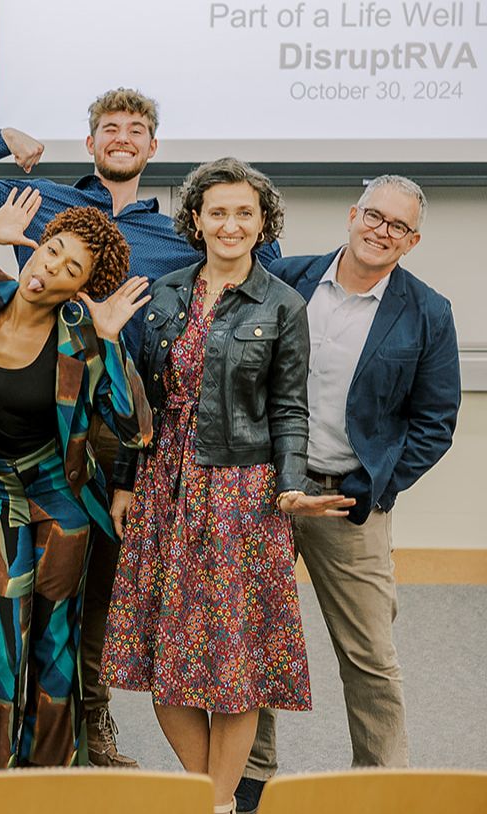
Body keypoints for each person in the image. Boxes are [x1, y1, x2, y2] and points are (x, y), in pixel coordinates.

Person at [0, 88, 282, 768]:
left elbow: (257, 259)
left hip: (110, 426)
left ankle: (72, 749)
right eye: (110, 126)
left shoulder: (174, 233)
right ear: (90, 142)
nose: (122, 137)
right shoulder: (40, 208)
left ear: (152, 147)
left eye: (136, 129)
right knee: (6, 635)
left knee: (81, 617)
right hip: (12, 445)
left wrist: (110, 341)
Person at [102, 158, 355, 814]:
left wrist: (291, 484)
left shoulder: (283, 304)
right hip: (164, 488)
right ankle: (208, 798)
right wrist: (127, 480)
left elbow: (290, 408)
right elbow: (139, 400)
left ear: (263, 222)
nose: (231, 224)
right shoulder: (163, 294)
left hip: (242, 494)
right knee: (165, 659)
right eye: (218, 211)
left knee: (235, 666)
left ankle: (216, 806)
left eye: (245, 212)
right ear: (196, 219)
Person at [236, 176, 461, 813]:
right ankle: (250, 774)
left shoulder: (428, 312)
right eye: (375, 216)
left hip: (348, 502)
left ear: (412, 241)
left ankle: (382, 785)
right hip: (266, 490)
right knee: (250, 636)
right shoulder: (287, 281)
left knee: (370, 655)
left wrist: (374, 486)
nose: (382, 231)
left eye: (399, 226)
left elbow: (435, 421)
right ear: (352, 214)